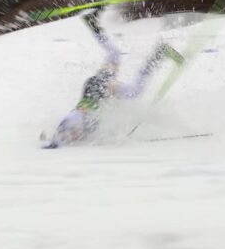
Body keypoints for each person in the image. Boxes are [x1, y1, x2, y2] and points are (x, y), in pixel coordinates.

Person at [43, 10, 183, 149]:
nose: (75, 136)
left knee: (134, 91)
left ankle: (159, 53)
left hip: (98, 88)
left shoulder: (77, 119)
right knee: (115, 55)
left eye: (73, 135)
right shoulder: (82, 130)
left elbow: (68, 121)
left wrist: (54, 143)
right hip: (94, 86)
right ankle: (93, 24)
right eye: (74, 136)